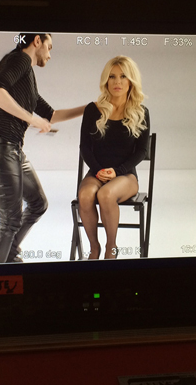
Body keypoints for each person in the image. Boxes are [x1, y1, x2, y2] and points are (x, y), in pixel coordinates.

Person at [0, 33, 84, 263]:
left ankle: (8, 256)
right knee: (10, 220)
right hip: (0, 148)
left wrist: (89, 108)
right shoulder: (20, 60)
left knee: (38, 203)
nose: (50, 54)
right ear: (37, 41)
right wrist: (32, 119)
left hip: (13, 150)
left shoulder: (27, 76)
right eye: (49, 47)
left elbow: (52, 115)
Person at [77, 55, 150, 259]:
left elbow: (141, 151)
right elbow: (85, 147)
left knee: (106, 194)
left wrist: (117, 172)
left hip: (126, 176)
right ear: (106, 80)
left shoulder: (141, 112)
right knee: (85, 195)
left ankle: (111, 249)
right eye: (112, 76)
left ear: (131, 81)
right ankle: (94, 248)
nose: (117, 82)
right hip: (97, 171)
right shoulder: (93, 110)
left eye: (123, 76)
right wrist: (98, 170)